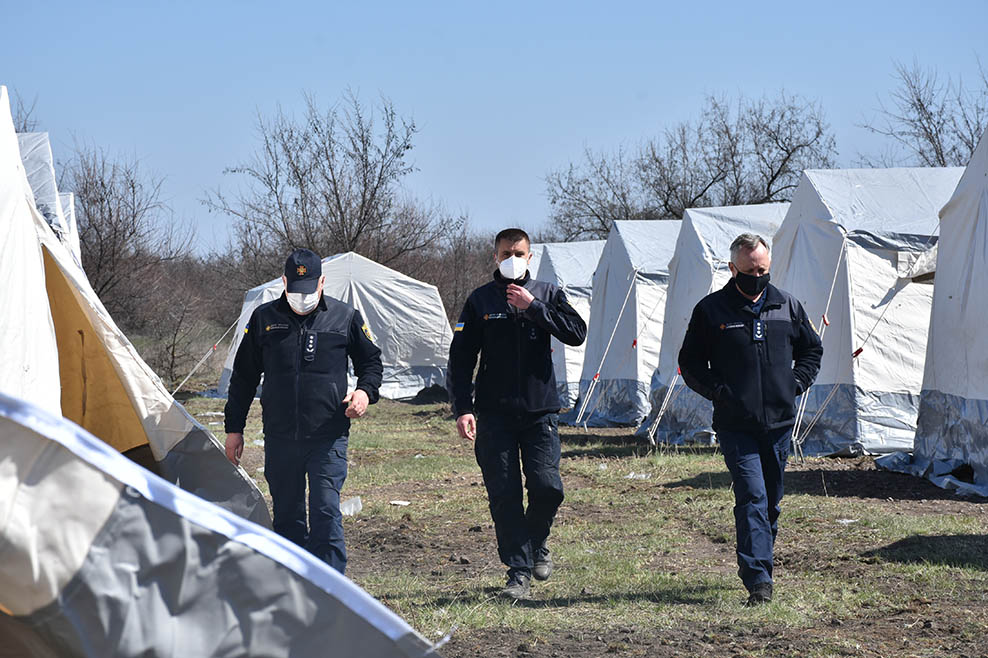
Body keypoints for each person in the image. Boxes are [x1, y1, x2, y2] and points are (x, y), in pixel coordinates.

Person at [678, 233, 822, 605]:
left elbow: (811, 350)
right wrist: (718, 391)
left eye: (762, 270)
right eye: (749, 270)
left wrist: (796, 382)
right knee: (752, 496)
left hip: (777, 424)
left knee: (771, 502)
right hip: (735, 424)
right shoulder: (711, 311)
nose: (756, 276)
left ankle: (761, 556)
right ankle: (759, 579)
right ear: (732, 269)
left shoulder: (786, 306)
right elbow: (690, 363)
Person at [447, 228, 587, 600]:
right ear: (495, 257)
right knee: (504, 494)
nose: (513, 258)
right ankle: (519, 571)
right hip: (494, 414)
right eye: (506, 253)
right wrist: (463, 408)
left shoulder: (548, 293)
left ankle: (536, 541)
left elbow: (577, 332)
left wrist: (534, 308)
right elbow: (460, 360)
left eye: (520, 253)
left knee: (548, 487)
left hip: (540, 410)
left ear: (530, 256)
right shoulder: (480, 301)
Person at [224, 248, 383, 574]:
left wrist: (365, 393)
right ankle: (294, 583)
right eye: (295, 290)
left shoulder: (344, 316)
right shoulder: (264, 319)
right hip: (281, 435)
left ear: (322, 282)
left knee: (325, 509)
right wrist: (233, 428)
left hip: (328, 435)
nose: (302, 298)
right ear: (284, 282)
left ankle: (332, 588)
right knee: (287, 514)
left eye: (309, 290)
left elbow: (371, 362)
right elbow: (243, 378)